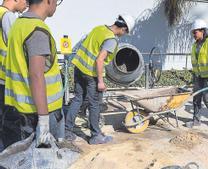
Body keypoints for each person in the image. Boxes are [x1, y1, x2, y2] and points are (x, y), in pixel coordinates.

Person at [3, 0, 65, 149]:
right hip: (40, 113)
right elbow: (36, 75)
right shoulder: (37, 30)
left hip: (17, 109)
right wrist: (44, 122)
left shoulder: (19, 24)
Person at [65, 14, 135, 144]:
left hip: (79, 68)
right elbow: (100, 59)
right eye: (125, 32)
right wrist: (101, 82)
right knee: (94, 104)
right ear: (123, 28)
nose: (123, 35)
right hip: (91, 74)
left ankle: (66, 131)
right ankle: (95, 136)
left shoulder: (99, 28)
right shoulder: (111, 40)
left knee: (77, 99)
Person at [0, 0, 28, 151]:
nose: (27, 4)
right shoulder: (8, 17)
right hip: (5, 81)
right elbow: (20, 49)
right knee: (11, 127)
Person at [185, 19, 208, 129]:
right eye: (193, 33)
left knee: (207, 98)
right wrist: (194, 76)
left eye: (195, 32)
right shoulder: (195, 45)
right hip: (198, 76)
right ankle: (196, 121)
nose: (193, 35)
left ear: (202, 31)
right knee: (196, 98)